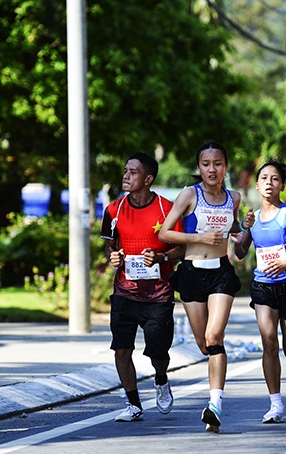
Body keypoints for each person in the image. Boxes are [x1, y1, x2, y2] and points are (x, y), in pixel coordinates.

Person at [158, 142, 247, 433]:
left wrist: (242, 227)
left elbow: (233, 231)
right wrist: (198, 238)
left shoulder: (233, 197)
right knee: (203, 344)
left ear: (225, 167)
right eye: (206, 164)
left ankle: (215, 405)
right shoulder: (189, 195)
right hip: (192, 274)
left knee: (214, 336)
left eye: (218, 163)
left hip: (220, 272)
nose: (212, 169)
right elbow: (165, 232)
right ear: (199, 168)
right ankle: (214, 397)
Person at [101, 152, 186, 423]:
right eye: (125, 170)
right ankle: (134, 404)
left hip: (158, 295)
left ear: (148, 179)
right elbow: (109, 245)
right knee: (121, 349)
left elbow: (182, 248)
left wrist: (161, 257)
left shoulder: (167, 209)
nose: (126, 176)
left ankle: (161, 380)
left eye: (133, 172)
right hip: (124, 292)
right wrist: (112, 256)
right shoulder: (113, 210)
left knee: (158, 352)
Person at [232, 158, 286, 424]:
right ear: (257, 185)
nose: (269, 183)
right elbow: (240, 253)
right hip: (263, 286)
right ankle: (275, 404)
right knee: (268, 341)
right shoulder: (252, 218)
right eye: (264, 178)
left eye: (274, 179)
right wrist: (244, 229)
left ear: (281, 186)